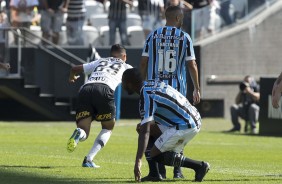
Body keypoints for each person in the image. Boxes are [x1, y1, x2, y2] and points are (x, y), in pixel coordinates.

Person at [140, 5, 200, 180]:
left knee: (152, 128)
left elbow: (143, 62)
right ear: (179, 19)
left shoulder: (152, 35)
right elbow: (192, 65)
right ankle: (177, 170)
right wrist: (197, 87)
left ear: (166, 17)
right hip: (177, 92)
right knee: (178, 126)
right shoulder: (184, 37)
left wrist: (143, 85)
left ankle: (159, 171)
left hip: (154, 91)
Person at [121, 68, 210, 182]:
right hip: (192, 118)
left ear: (129, 83)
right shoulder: (150, 84)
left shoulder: (146, 95)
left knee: (154, 153)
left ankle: (199, 166)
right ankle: (154, 174)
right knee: (143, 127)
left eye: (123, 82)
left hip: (186, 124)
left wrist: (138, 160)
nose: (122, 85)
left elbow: (145, 131)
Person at [66, 44, 132, 168]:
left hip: (86, 89)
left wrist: (72, 78)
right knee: (108, 127)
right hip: (104, 90)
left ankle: (79, 133)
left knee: (84, 130)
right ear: (124, 56)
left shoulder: (100, 61)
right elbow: (135, 80)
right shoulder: (126, 66)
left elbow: (74, 69)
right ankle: (88, 159)